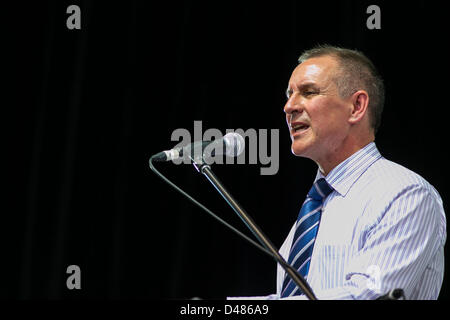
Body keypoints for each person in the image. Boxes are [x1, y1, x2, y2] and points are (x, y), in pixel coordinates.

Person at [229, 45, 446, 300]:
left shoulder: (405, 194)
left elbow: (365, 296)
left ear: (356, 106)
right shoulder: (314, 206)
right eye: (289, 95)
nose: (289, 107)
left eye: (308, 92)